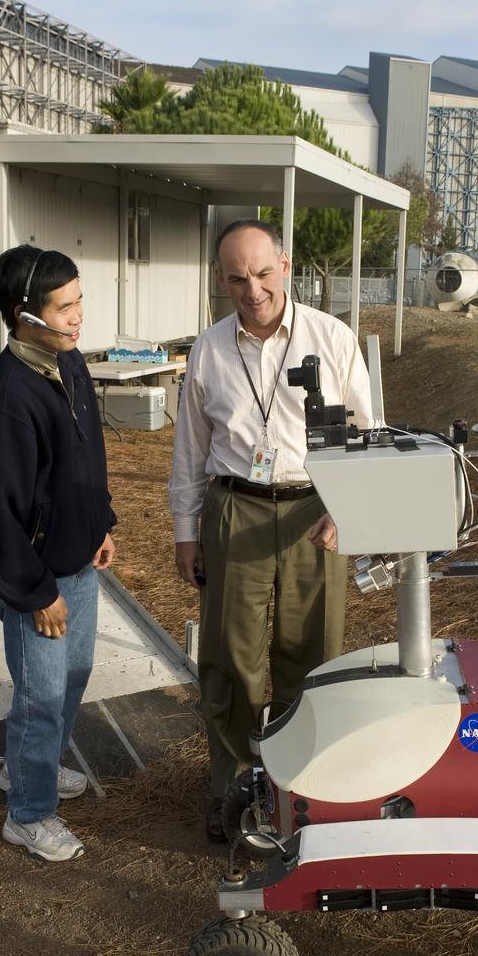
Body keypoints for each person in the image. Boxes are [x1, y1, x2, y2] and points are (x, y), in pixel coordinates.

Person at [168, 219, 372, 840]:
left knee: (313, 653)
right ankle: (232, 789)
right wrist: (185, 531)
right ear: (220, 279)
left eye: (261, 273)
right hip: (236, 507)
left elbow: (365, 433)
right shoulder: (209, 349)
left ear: (285, 265)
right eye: (236, 278)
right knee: (231, 658)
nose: (252, 290)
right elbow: (190, 448)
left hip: (316, 509)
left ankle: (301, 790)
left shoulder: (331, 337)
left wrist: (347, 507)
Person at [0, 245, 116, 862]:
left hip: (78, 563)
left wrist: (101, 524)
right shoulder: (5, 402)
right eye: (63, 307)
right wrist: (35, 593)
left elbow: (88, 456)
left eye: (79, 300)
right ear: (22, 315)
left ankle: (30, 767)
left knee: (72, 679)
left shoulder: (69, 362)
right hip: (39, 579)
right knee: (40, 698)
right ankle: (28, 815)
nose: (78, 316)